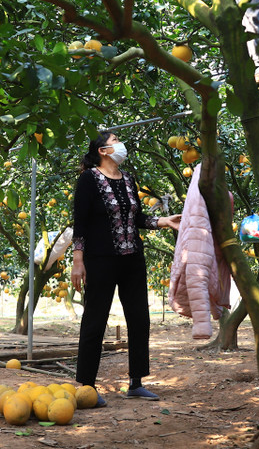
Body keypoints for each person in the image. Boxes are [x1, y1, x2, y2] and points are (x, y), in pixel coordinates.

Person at [70, 131, 182, 405]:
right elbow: (80, 223)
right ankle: (86, 386)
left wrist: (164, 221)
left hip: (132, 259)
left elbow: (138, 217)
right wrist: (77, 260)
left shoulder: (129, 179)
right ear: (103, 151)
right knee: (95, 319)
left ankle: (136, 382)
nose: (121, 145)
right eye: (115, 141)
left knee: (139, 318)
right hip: (100, 259)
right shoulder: (88, 180)